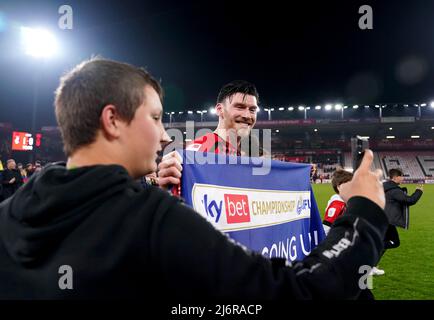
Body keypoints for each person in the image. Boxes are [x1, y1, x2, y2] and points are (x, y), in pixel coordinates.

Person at [0, 58, 388, 300]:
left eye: (255, 109)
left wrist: (150, 187)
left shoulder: (11, 212)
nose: (167, 135)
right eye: (155, 118)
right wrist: (365, 213)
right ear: (112, 119)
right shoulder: (164, 203)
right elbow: (294, 291)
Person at [157, 80, 260, 189]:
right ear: (220, 110)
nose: (247, 115)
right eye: (240, 107)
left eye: (252, 110)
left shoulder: (248, 156)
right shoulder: (199, 150)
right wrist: (166, 187)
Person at [372, 168, 424, 276]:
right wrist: (419, 191)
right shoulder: (394, 190)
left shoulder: (383, 187)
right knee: (394, 242)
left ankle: (371, 266)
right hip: (388, 221)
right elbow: (409, 200)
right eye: (401, 176)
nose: (403, 178)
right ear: (395, 177)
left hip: (381, 219)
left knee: (386, 242)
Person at [322, 170, 353, 235]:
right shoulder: (337, 205)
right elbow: (325, 230)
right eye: (349, 184)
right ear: (339, 187)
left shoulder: (346, 202)